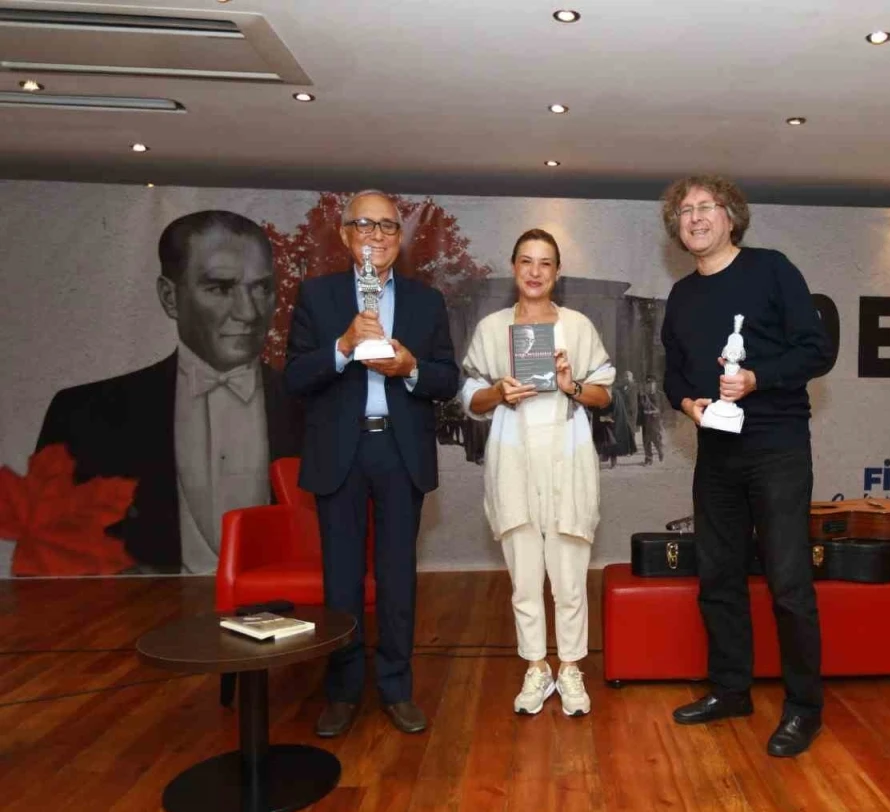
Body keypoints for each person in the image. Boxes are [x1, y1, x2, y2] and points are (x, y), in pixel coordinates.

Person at [659, 175, 834, 757]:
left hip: (777, 448)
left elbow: (815, 350)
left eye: (705, 206)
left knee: (788, 583)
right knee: (718, 578)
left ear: (731, 216)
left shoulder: (772, 269)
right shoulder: (682, 296)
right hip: (715, 452)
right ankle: (731, 690)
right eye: (685, 210)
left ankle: (804, 708)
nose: (694, 217)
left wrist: (757, 378)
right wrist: (687, 403)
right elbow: (673, 374)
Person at [35, 210, 302, 574]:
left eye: (261, 288)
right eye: (220, 288)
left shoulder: (316, 409)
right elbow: (46, 560)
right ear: (169, 297)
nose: (249, 312)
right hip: (143, 611)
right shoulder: (83, 415)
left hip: (282, 605)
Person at [285, 190, 459, 737]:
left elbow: (447, 379)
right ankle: (341, 692)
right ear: (345, 235)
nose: (376, 235)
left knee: (397, 577)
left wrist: (410, 368)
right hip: (340, 452)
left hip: (399, 452)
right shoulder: (316, 296)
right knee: (341, 581)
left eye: (387, 226)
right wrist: (341, 346)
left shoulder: (426, 301)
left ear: (399, 239)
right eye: (365, 224)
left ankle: (396, 688)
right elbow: (294, 377)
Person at [460, 228, 614, 717]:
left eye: (545, 263)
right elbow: (471, 398)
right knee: (524, 578)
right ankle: (535, 667)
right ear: (514, 267)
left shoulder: (578, 327)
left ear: (557, 272)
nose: (535, 271)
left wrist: (571, 386)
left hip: (567, 459)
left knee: (569, 576)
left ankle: (570, 667)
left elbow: (604, 393)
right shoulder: (492, 328)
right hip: (514, 460)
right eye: (526, 261)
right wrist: (498, 393)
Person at [639, 375, 665, 464]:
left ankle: (660, 451)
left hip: (655, 421)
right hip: (645, 421)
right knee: (646, 441)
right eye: (648, 384)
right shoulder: (642, 396)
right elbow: (639, 408)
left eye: (652, 383)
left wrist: (660, 417)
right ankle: (648, 458)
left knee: (656, 439)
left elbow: (663, 409)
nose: (650, 386)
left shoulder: (660, 395)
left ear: (655, 384)